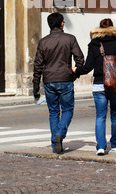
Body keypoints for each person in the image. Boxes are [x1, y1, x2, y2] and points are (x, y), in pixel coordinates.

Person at [73, 18, 116, 155]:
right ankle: (115, 144)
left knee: (100, 116)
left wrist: (76, 71)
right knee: (115, 115)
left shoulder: (93, 44)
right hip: (114, 85)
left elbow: (88, 67)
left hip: (98, 86)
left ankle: (101, 146)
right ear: (113, 30)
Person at [33, 12, 84, 154]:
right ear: (61, 23)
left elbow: (37, 65)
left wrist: (36, 85)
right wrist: (75, 73)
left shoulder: (43, 42)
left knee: (53, 112)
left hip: (49, 80)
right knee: (67, 110)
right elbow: (80, 58)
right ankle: (60, 134)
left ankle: (54, 142)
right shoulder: (70, 38)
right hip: (65, 79)